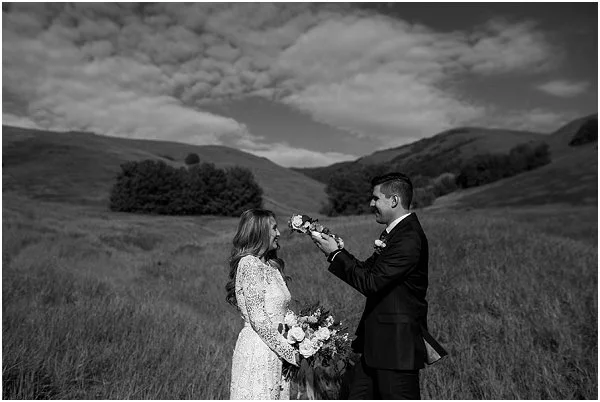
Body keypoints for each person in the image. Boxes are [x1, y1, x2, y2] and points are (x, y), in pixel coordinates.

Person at [310, 172, 447, 400]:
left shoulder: (408, 237)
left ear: (394, 200)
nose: (371, 204)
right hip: (377, 346)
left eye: (375, 198)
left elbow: (371, 283)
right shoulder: (396, 233)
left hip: (396, 349)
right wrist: (337, 252)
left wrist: (335, 255)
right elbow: (368, 271)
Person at [226, 209, 300, 399]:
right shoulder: (249, 264)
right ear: (260, 232)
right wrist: (289, 353)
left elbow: (282, 311)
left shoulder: (272, 267)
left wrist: (301, 333)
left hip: (277, 350)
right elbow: (258, 318)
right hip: (259, 351)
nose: (279, 233)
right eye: (274, 228)